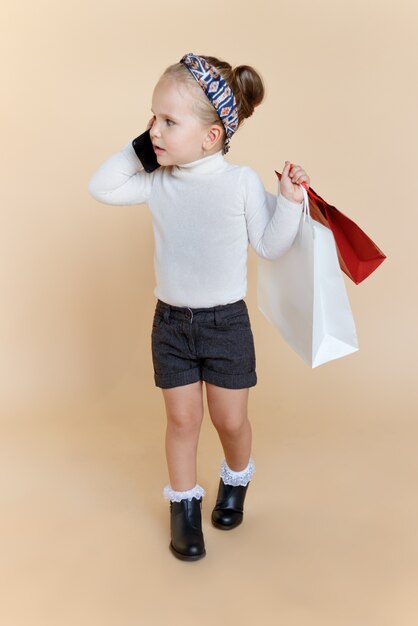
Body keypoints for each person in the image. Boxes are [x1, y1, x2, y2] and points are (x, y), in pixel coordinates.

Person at [88, 52, 310, 561]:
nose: (154, 131)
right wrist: (143, 146)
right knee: (183, 421)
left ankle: (236, 478)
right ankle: (184, 509)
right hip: (171, 324)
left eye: (168, 121)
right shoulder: (158, 181)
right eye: (152, 119)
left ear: (211, 137)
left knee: (229, 421)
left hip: (225, 324)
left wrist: (290, 199)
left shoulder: (239, 183)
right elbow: (100, 186)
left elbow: (271, 245)